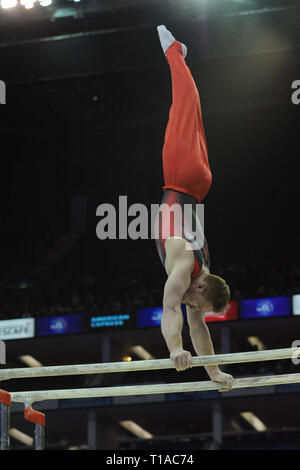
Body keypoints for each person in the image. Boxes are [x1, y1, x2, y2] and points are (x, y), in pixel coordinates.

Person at [155, 25, 233, 391]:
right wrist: (175, 349)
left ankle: (179, 57)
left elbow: (197, 327)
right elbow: (170, 311)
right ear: (201, 289)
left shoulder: (202, 273)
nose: (194, 309)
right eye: (198, 303)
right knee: (183, 104)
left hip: (201, 185)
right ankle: (174, 52)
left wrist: (213, 371)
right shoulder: (186, 268)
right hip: (182, 176)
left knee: (193, 107)